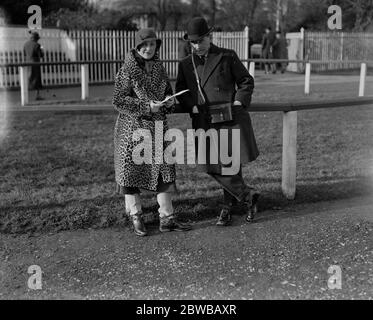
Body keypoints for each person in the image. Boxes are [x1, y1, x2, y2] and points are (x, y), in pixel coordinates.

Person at [176, 17, 260, 226]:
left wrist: (240, 101)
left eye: (200, 41)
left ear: (209, 37)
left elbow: (245, 81)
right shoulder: (186, 64)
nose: (196, 45)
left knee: (231, 165)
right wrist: (190, 105)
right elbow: (181, 90)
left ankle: (228, 208)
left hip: (228, 117)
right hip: (203, 120)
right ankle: (249, 196)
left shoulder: (227, 56)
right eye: (193, 42)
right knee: (210, 165)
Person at [112, 28, 191, 236]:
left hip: (157, 127)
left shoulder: (159, 68)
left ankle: (167, 217)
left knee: (164, 171)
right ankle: (136, 216)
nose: (148, 48)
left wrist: (170, 101)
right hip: (133, 128)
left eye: (152, 44)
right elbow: (119, 100)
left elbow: (167, 93)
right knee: (130, 172)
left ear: (157, 46)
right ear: (137, 46)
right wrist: (146, 106)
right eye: (144, 45)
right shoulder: (126, 70)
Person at [23, 31, 44, 100]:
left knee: (29, 78)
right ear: (36, 38)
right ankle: (37, 95)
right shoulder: (37, 45)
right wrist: (42, 50)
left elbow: (24, 54)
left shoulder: (25, 44)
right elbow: (41, 55)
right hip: (35, 63)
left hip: (28, 63)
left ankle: (26, 95)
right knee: (36, 79)